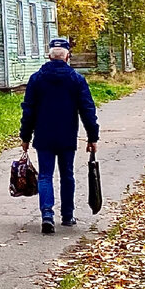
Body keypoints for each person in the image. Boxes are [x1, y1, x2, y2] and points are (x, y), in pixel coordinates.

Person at [19, 37, 99, 234]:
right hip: (67, 136)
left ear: (49, 56)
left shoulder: (37, 79)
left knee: (45, 175)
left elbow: (28, 110)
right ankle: (67, 216)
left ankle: (47, 215)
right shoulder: (76, 80)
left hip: (44, 136)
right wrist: (92, 137)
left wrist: (25, 137)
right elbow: (87, 109)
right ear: (67, 56)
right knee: (67, 175)